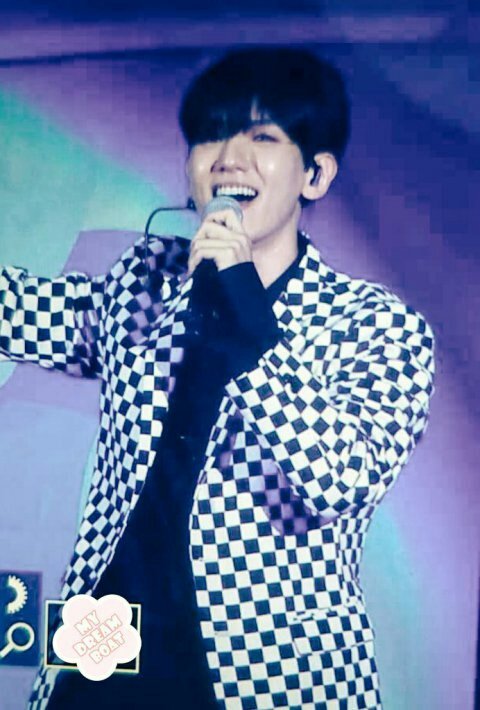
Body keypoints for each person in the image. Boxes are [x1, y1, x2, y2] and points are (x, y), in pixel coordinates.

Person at [0, 47, 435, 709]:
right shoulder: (144, 285)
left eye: (261, 137)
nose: (229, 157)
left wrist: (241, 299)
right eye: (210, 135)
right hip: (110, 640)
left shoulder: (377, 325)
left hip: (267, 669)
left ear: (315, 174)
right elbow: (22, 312)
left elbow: (341, 478)